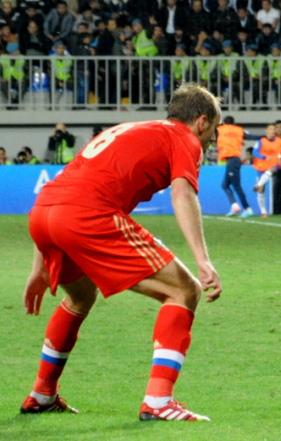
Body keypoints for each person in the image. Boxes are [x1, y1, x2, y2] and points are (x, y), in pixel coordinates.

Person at [20, 83, 222, 421]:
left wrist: (39, 265)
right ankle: (159, 402)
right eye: (214, 129)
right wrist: (203, 260)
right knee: (184, 290)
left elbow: (67, 182)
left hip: (44, 212)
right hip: (86, 214)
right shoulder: (184, 139)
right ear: (201, 122)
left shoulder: (129, 128)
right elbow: (183, 194)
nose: (212, 138)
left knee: (80, 297)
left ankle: (42, 393)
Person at [217, 115, 258, 218]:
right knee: (224, 185)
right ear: (234, 123)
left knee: (236, 186)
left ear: (224, 123)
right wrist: (265, 136)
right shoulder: (239, 130)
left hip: (232, 160)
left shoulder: (220, 129)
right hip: (234, 160)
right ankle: (234, 206)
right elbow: (251, 136)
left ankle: (247, 209)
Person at [252, 123, 281, 218]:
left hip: (273, 164)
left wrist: (280, 157)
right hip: (261, 166)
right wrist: (264, 157)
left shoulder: (279, 141)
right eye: (270, 129)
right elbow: (254, 152)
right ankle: (263, 212)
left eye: (274, 129)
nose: (273, 131)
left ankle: (257, 185)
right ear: (267, 131)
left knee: (271, 170)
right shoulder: (261, 141)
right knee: (261, 190)